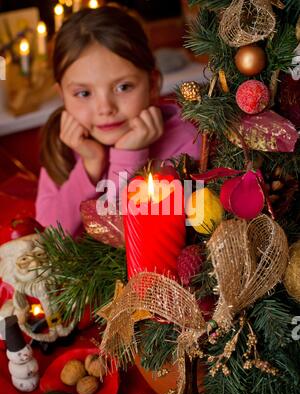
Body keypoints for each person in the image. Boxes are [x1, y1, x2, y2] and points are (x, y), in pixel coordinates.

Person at [35, 6, 201, 236]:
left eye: (123, 87)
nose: (105, 108)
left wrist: (129, 154)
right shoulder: (64, 147)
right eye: (84, 93)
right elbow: (47, 237)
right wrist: (90, 167)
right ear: (62, 96)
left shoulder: (186, 142)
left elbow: (125, 242)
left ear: (152, 85)